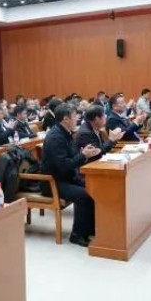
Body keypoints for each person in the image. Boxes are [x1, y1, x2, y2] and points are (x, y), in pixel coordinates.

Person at [41, 104, 101, 247]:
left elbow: (72, 156)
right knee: (84, 195)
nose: (77, 119)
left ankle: (90, 230)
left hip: (66, 177)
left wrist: (84, 153)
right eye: (74, 116)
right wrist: (83, 155)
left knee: (94, 188)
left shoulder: (65, 133)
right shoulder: (55, 137)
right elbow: (63, 165)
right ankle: (77, 235)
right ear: (66, 119)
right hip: (53, 182)